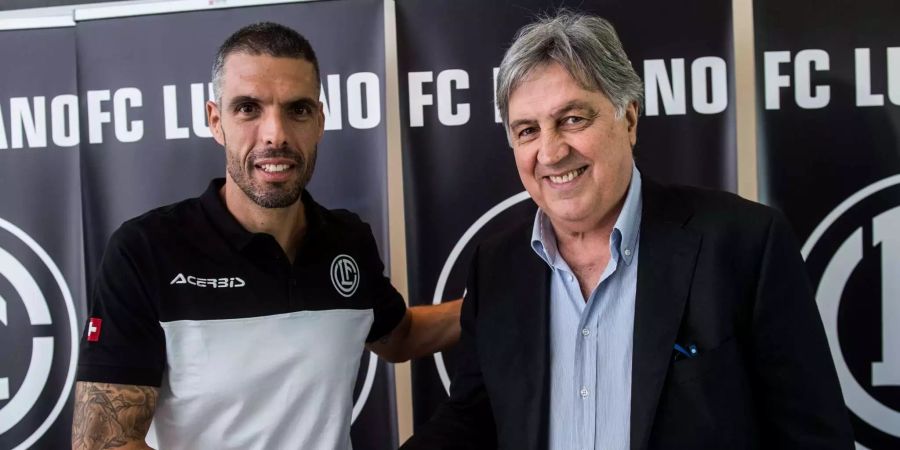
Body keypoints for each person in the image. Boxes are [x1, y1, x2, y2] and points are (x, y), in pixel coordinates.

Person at [402, 11, 854, 450]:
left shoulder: (745, 244)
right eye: (527, 131)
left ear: (630, 119)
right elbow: (474, 417)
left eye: (572, 119)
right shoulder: (496, 267)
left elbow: (813, 436)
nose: (551, 151)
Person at [72, 22, 461, 450]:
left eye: (297, 110)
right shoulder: (146, 249)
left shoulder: (346, 239)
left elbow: (398, 336)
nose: (275, 134)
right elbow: (103, 443)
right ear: (216, 121)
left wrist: (505, 295)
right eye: (248, 108)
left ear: (319, 122)